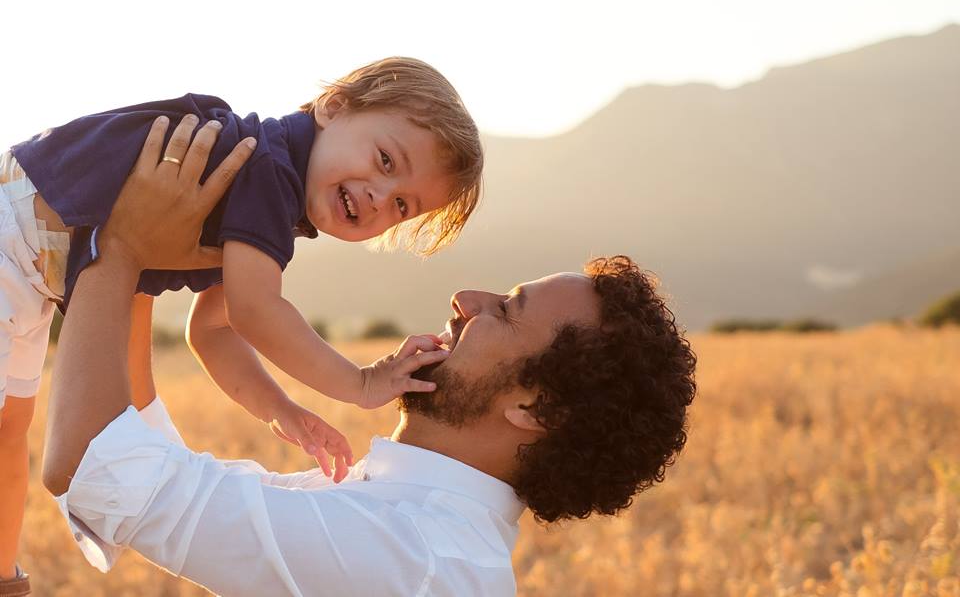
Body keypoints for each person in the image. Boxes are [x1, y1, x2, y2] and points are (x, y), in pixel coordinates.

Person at [40, 124, 696, 597]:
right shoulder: (408, 521)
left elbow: (96, 466)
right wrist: (145, 262)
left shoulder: (415, 560)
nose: (465, 298)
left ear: (534, 405)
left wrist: (121, 240)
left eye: (507, 309)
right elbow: (151, 469)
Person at [0, 58, 482, 587]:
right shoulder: (266, 170)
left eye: (402, 205)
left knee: (9, 429)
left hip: (29, 272)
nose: (377, 196)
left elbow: (214, 329)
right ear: (334, 106)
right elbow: (255, 311)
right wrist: (361, 383)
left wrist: (282, 410)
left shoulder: (268, 187)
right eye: (386, 160)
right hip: (14, 242)